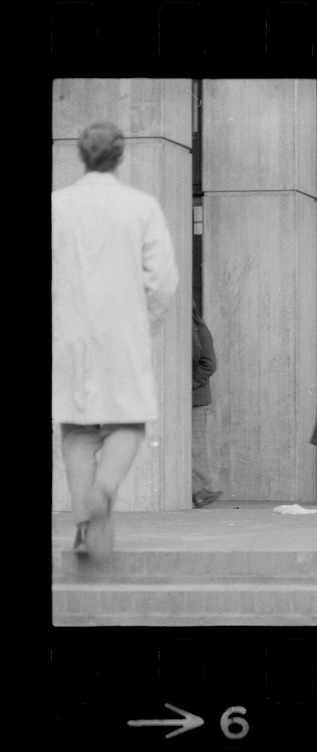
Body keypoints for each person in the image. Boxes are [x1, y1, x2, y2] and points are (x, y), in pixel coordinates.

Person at [52, 121, 179, 558]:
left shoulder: (57, 205)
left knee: (76, 428)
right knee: (128, 421)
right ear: (120, 157)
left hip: (67, 334)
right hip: (123, 331)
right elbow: (163, 280)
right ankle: (104, 488)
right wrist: (146, 323)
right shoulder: (140, 206)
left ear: (80, 155)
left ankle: (85, 526)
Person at [192, 300, 222, 508]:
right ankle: (197, 491)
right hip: (184, 399)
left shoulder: (200, 330)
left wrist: (188, 385)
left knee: (196, 446)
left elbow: (209, 363)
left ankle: (203, 490)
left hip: (195, 398)